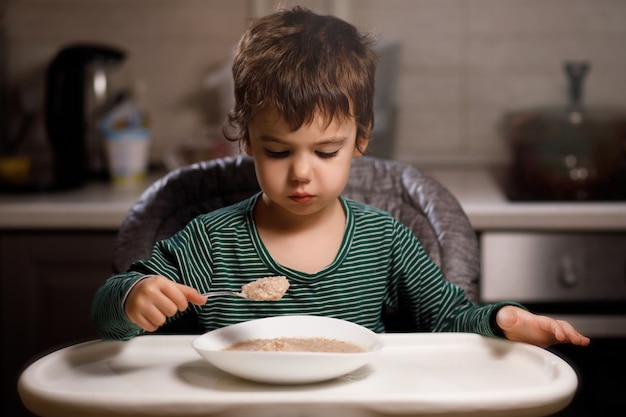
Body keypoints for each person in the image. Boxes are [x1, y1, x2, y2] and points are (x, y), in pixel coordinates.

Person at [91, 6, 589, 349]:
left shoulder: (385, 241)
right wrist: (133, 299)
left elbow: (449, 320)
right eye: (278, 150)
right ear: (247, 141)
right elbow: (110, 317)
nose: (301, 172)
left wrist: (503, 320)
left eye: (326, 151)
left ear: (361, 139)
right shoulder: (210, 244)